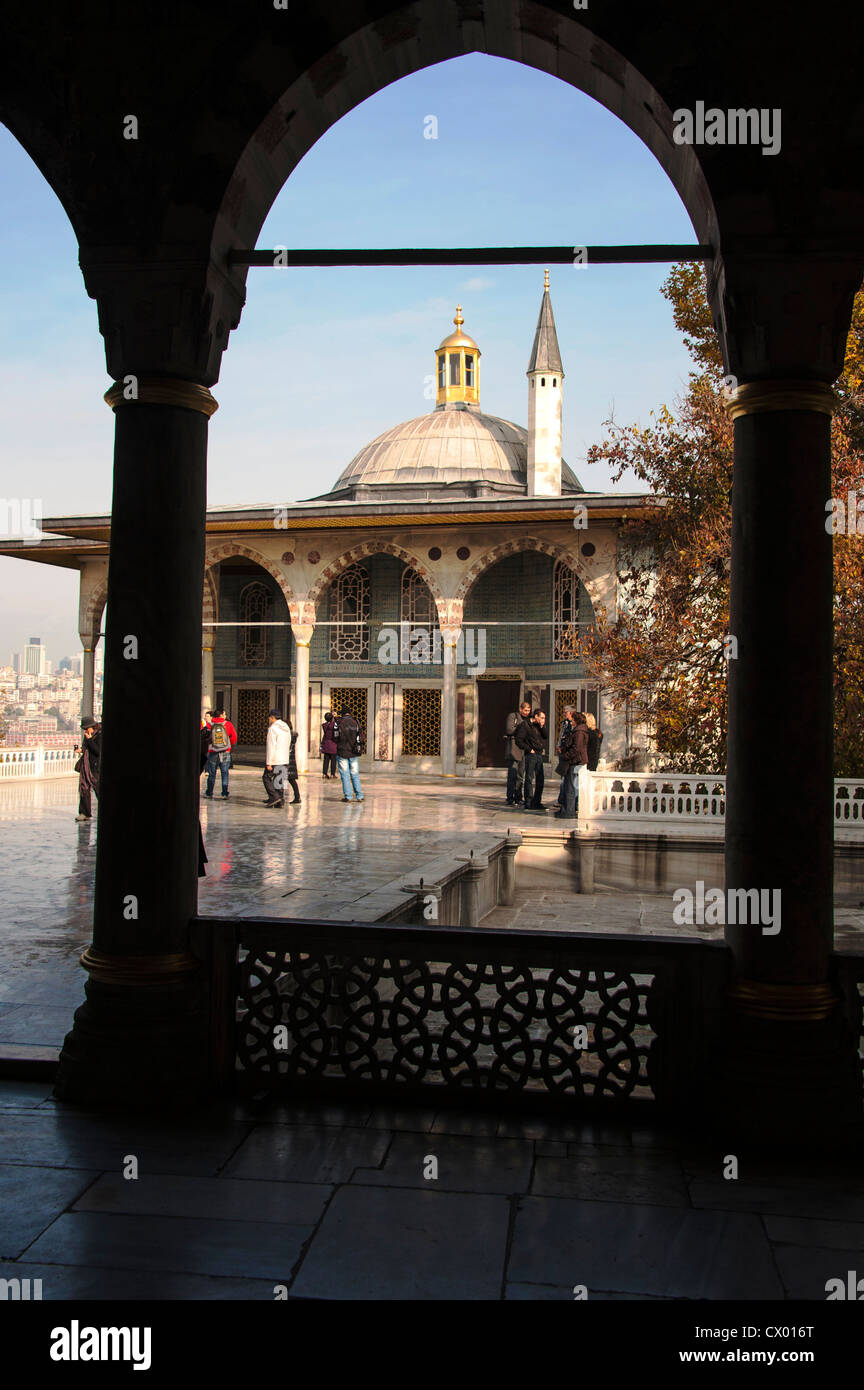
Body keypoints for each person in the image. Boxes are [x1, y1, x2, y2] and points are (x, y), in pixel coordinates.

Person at [556, 710, 589, 820]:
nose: (571, 721)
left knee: (571, 788)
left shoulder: (579, 732)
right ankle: (566, 810)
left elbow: (576, 748)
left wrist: (566, 756)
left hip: (575, 762)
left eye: (573, 719)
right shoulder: (580, 731)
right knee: (569, 787)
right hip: (575, 761)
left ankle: (569, 811)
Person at [517, 707, 548, 811]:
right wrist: (529, 749)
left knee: (540, 778)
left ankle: (537, 801)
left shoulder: (539, 726)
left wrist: (542, 726)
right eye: (542, 718)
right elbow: (519, 740)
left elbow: (545, 736)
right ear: (536, 716)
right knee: (529, 778)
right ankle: (529, 801)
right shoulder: (525, 725)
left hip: (539, 754)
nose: (543, 720)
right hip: (531, 754)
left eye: (544, 718)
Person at [204, 708, 237, 799]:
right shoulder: (228, 724)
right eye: (224, 714)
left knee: (212, 773)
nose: (225, 716)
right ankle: (224, 793)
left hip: (213, 752)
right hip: (225, 752)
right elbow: (234, 737)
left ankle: (209, 792)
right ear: (221, 715)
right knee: (225, 772)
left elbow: (205, 738)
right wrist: (228, 745)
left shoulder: (209, 725)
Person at [263, 708, 293, 808]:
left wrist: (269, 762)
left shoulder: (273, 729)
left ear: (272, 717)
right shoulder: (286, 727)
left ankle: (274, 797)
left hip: (275, 758)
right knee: (279, 780)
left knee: (266, 778)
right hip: (284, 758)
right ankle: (280, 801)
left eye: (269, 717)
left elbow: (271, 746)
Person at [334, 706, 364, 803]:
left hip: (342, 751)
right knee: (355, 774)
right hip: (353, 752)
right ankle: (359, 796)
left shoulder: (338, 722)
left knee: (345, 774)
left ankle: (348, 796)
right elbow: (360, 736)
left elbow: (335, 737)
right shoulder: (356, 722)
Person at [504, 699, 531, 805]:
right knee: (512, 774)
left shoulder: (528, 719)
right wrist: (523, 729)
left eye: (528, 710)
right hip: (514, 748)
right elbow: (509, 730)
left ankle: (518, 797)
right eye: (525, 710)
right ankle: (510, 797)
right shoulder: (513, 716)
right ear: (520, 709)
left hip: (524, 749)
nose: (527, 712)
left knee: (520, 775)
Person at [74, 716, 101, 822]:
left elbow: (98, 751)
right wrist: (80, 750)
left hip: (95, 766)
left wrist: (90, 740)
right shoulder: (87, 736)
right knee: (84, 789)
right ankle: (84, 813)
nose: (86, 731)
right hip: (86, 765)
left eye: (87, 728)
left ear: (92, 726)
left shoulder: (99, 735)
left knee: (98, 789)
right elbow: (86, 747)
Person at [320, 711, 338, 780]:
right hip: (333, 744)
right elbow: (338, 724)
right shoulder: (333, 725)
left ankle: (324, 773)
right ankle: (332, 774)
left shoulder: (325, 725)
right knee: (333, 761)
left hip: (326, 744)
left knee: (326, 760)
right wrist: (335, 717)